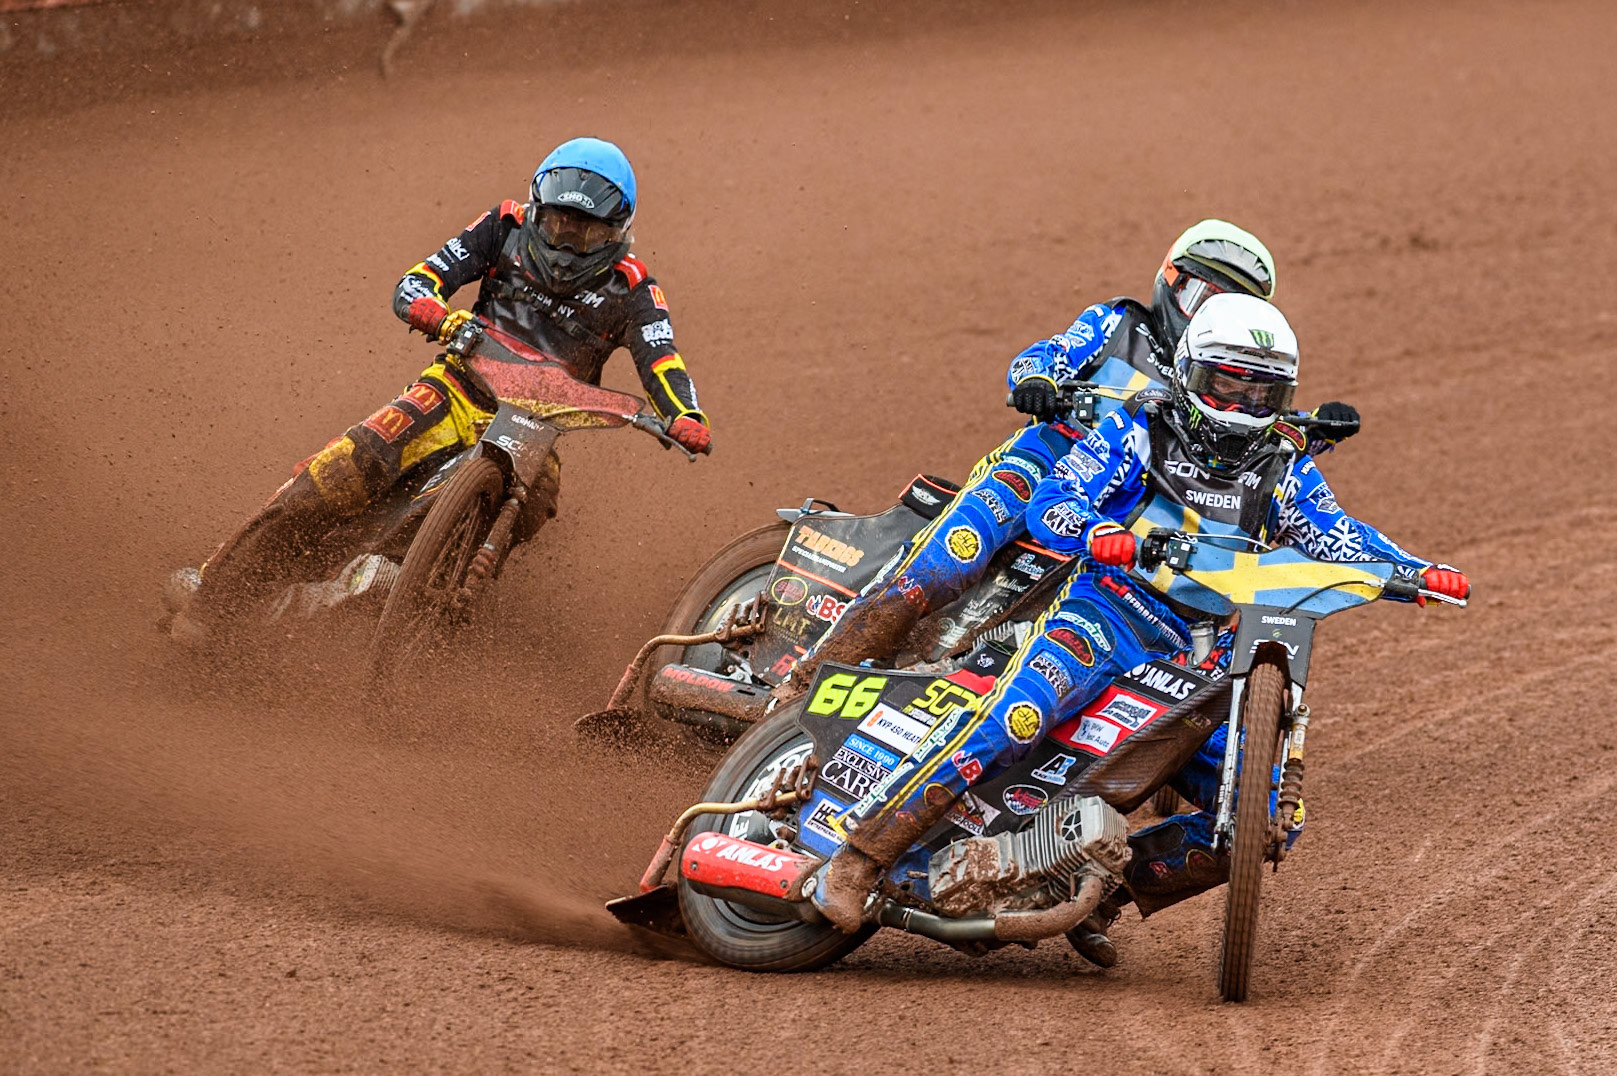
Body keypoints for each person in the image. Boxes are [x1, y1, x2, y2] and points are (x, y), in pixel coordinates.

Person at [810, 293, 1470, 935]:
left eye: (1258, 393)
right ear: (1189, 374)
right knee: (1016, 718)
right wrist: (1097, 531)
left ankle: (1098, 893)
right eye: (1225, 384)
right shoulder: (1138, 428)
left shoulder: (1284, 467)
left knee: (1265, 817)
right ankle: (861, 857)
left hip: (1207, 658)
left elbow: (1338, 537)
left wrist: (1415, 572)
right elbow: (1056, 500)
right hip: (1106, 616)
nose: (1239, 405)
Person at [772, 220, 1356, 702]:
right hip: (1047, 461)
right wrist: (1037, 381)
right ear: (1169, 281)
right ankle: (800, 687)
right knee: (953, 557)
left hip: (1131, 505)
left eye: (1229, 307)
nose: (1208, 315)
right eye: (1203, 296)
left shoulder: (1218, 370)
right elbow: (1046, 354)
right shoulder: (1118, 324)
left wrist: (1317, 426)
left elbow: (1256, 428)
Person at [167, 137, 710, 641]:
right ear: (536, 211)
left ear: (616, 233)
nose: (567, 242)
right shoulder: (502, 226)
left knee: (537, 496)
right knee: (336, 472)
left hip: (538, 428)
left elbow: (661, 360)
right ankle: (213, 588)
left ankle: (426, 594)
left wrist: (684, 415)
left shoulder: (634, 287)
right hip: (453, 388)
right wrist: (438, 315)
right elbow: (417, 280)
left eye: (585, 231)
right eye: (557, 225)